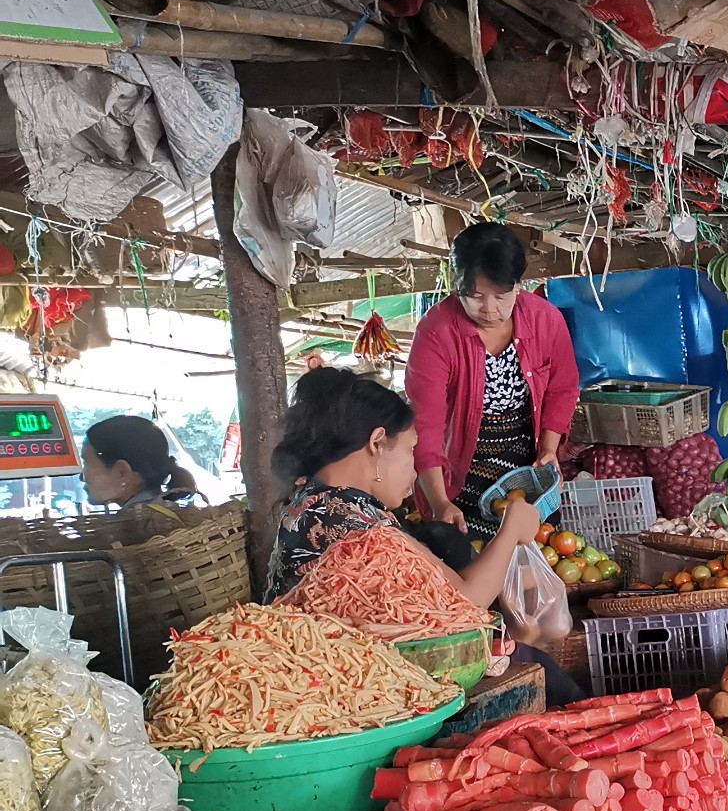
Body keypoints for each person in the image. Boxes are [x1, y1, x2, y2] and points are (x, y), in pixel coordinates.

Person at [267, 368, 541, 605]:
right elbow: (466, 602)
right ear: (377, 443)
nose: (414, 472)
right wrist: (512, 530)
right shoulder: (363, 526)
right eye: (411, 450)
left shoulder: (309, 500)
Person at [405, 222, 580, 533]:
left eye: (501, 296)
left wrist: (549, 450)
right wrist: (440, 502)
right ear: (456, 286)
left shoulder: (545, 319)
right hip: (459, 472)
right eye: (474, 296)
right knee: (471, 562)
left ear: (518, 285)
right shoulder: (436, 332)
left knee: (536, 550)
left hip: (527, 467)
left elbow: (562, 387)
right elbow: (426, 425)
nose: (488, 309)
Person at [79, 416, 201, 541]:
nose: (81, 477)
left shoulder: (132, 532)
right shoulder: (165, 514)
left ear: (122, 473)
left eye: (87, 463)